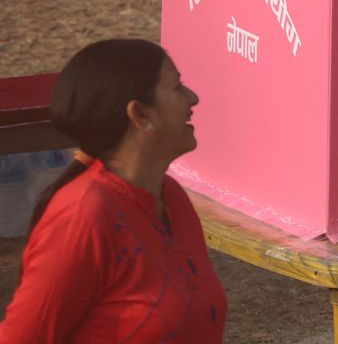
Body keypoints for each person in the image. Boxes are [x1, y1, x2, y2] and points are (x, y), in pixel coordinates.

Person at [0, 39, 227, 343]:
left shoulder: (170, 196)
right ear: (141, 115)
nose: (193, 98)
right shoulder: (82, 216)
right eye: (176, 87)